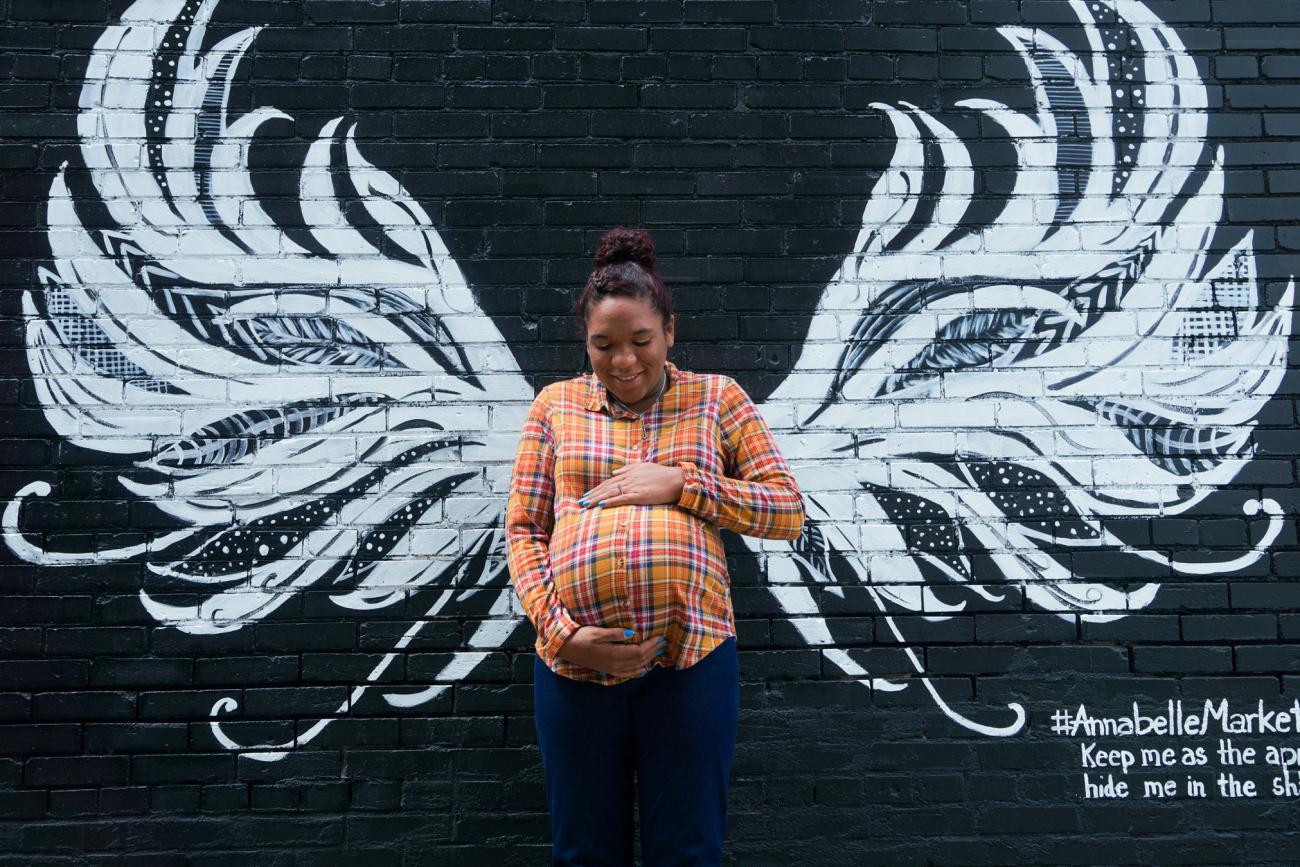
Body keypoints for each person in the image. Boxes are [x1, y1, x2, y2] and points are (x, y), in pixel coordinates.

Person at [505, 225, 806, 866]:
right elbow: (526, 530)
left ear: (670, 329)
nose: (623, 361)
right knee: (584, 854)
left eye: (640, 341)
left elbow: (788, 510)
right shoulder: (554, 407)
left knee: (689, 853)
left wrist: (684, 484)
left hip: (691, 661)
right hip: (574, 666)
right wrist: (560, 633)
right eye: (602, 346)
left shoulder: (717, 399)